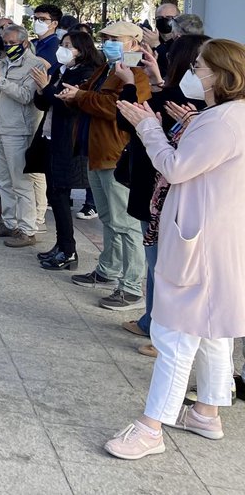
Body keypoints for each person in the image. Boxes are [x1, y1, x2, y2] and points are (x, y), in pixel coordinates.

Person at [104, 38, 245, 460]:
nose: (193, 72)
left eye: (200, 66)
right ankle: (205, 412)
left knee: (175, 333)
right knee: (210, 331)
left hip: (202, 239)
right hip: (216, 236)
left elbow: (177, 167)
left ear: (222, 74)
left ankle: (151, 428)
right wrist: (186, 126)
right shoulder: (223, 116)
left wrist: (148, 128)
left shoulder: (223, 121)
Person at [116, 34, 207, 342]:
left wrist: (130, 83)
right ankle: (151, 322)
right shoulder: (182, 98)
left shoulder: (192, 106)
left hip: (163, 195)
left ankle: (160, 330)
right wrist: (156, 80)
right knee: (158, 265)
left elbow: (127, 118)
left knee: (161, 268)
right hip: (156, 193)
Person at [60, 21, 152, 310]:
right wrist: (73, 96)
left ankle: (132, 286)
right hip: (96, 151)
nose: (108, 43)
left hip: (116, 154)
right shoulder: (107, 69)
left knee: (125, 224)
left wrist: (81, 97)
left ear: (134, 44)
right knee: (110, 219)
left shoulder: (136, 75)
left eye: (115, 39)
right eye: (106, 38)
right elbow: (87, 94)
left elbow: (117, 107)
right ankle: (108, 270)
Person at [0, 23, 48, 247]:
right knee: (3, 181)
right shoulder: (0, 63)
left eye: (13, 43)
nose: (9, 46)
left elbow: (26, 96)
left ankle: (27, 229)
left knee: (21, 182)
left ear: (25, 43)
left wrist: (0, 81)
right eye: (6, 43)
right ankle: (9, 222)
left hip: (19, 131)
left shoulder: (35, 66)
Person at [31, 30, 100, 266]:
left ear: (81, 49)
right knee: (55, 193)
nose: (63, 48)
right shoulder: (62, 70)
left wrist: (47, 88)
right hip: (50, 135)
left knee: (61, 194)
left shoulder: (86, 73)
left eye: (68, 45)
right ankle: (61, 244)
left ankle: (68, 250)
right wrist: (42, 88)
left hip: (68, 140)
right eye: (62, 44)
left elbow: (68, 104)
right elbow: (44, 101)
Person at [30, 4, 63, 71]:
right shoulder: (33, 42)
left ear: (54, 24)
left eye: (42, 19)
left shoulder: (55, 45)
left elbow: (36, 68)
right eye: (35, 18)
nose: (36, 22)